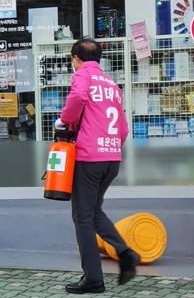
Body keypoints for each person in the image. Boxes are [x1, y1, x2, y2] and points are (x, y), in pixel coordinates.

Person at [56, 38, 140, 295]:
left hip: (89, 158)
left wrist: (64, 121)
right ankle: (126, 253)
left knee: (81, 216)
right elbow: (124, 128)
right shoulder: (112, 85)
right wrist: (111, 147)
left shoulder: (84, 76)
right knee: (93, 211)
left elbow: (78, 97)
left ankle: (93, 279)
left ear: (76, 59)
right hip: (111, 158)